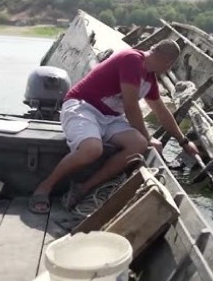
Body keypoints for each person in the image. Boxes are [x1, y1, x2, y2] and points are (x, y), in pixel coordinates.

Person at [29, 40, 199, 214]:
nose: (168, 69)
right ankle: (44, 187)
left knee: (138, 145)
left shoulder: (149, 79)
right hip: (83, 106)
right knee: (92, 149)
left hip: (110, 117)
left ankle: (83, 188)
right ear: (168, 62)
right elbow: (130, 106)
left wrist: (183, 142)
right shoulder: (132, 59)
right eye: (170, 66)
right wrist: (149, 138)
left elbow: (162, 112)